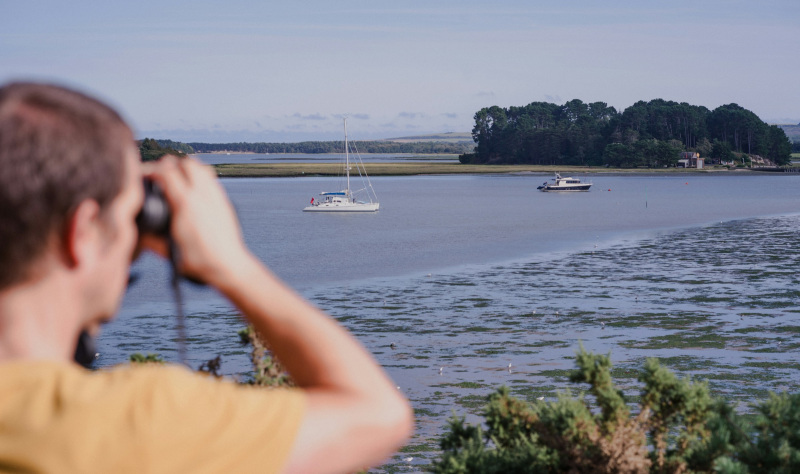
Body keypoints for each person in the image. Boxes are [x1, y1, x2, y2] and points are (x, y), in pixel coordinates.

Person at [0, 82, 412, 473]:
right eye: (132, 217)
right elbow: (377, 414)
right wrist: (231, 263)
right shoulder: (132, 420)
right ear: (83, 233)